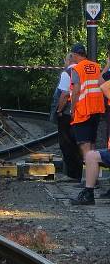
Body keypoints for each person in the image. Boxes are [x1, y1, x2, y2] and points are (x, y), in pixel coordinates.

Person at [69, 43, 104, 205]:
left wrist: (72, 107)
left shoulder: (77, 69)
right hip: (97, 110)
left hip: (83, 111)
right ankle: (93, 178)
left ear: (76, 55)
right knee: (92, 145)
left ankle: (89, 181)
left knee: (84, 146)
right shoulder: (96, 66)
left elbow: (76, 90)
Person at [52, 53, 81, 181]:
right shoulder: (86, 70)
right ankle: (83, 172)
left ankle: (73, 174)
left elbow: (64, 94)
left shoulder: (67, 73)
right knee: (81, 143)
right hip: (83, 111)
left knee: (67, 143)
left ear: (69, 59)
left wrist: (59, 110)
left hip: (68, 113)